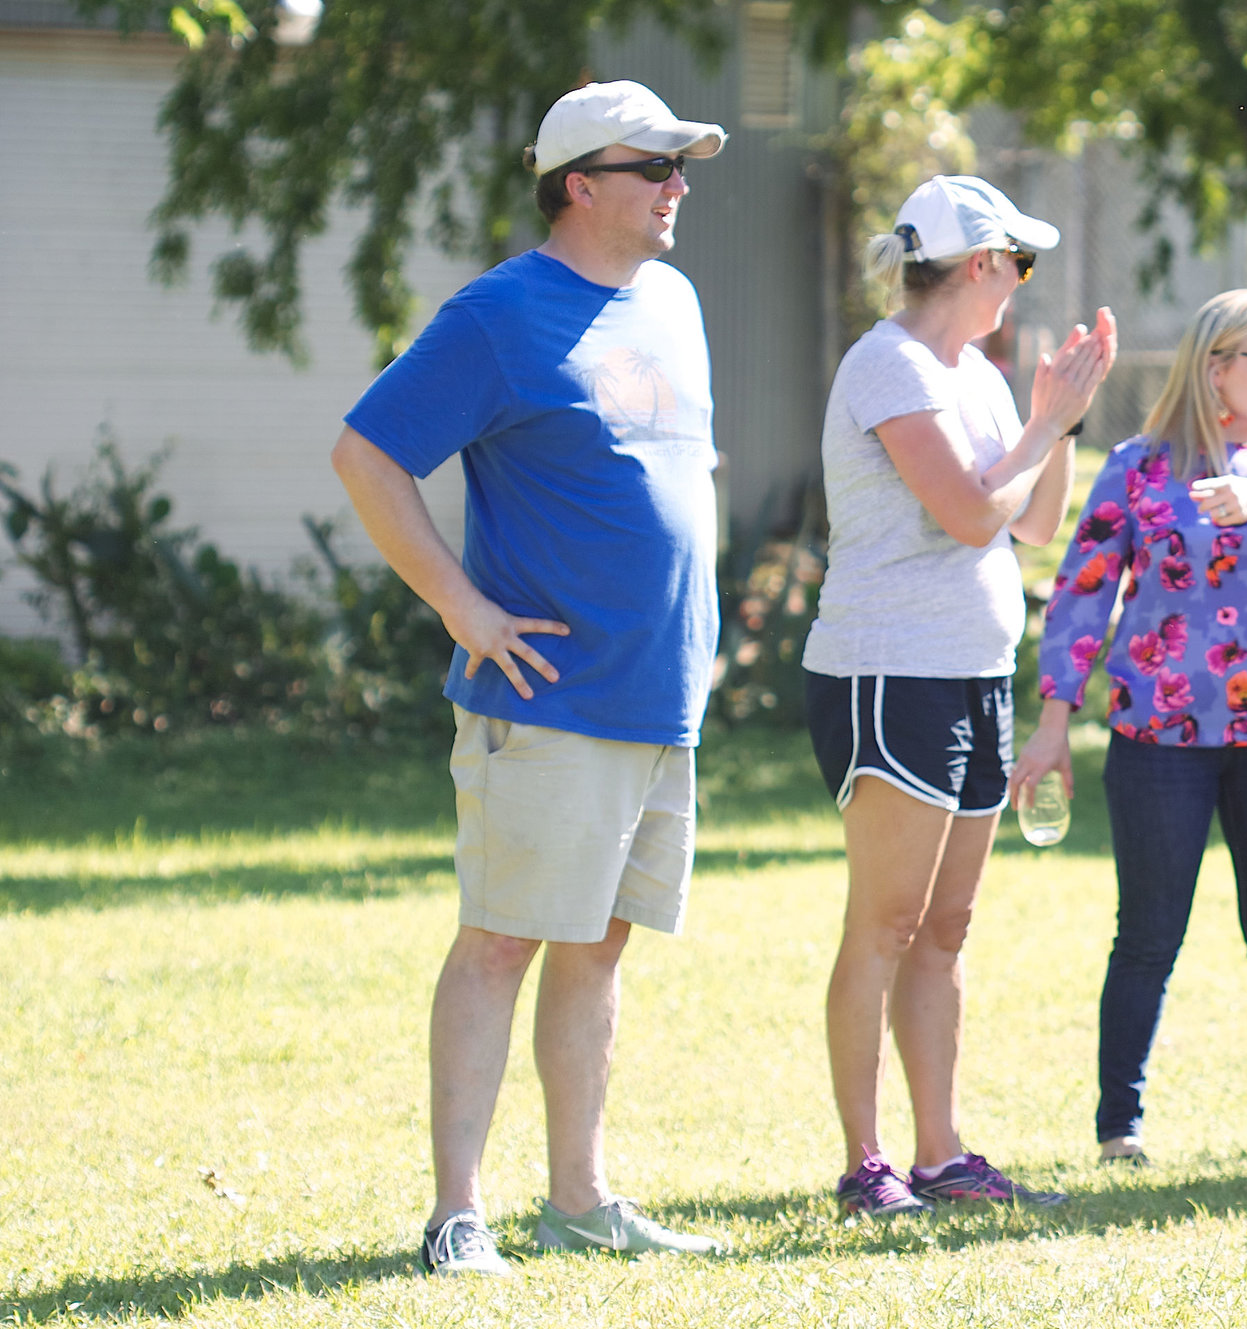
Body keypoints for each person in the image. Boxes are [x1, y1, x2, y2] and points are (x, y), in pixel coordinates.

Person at [330, 80, 732, 1275]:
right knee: (503, 939)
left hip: (659, 696)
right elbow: (367, 452)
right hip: (548, 700)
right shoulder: (499, 314)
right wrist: (463, 606)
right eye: (652, 166)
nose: (676, 188)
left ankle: (580, 1200)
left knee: (599, 945)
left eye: (681, 168)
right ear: (577, 184)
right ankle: (458, 1213)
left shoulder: (674, 300)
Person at [803, 174, 1115, 1216]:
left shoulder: (973, 376)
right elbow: (968, 514)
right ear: (980, 265)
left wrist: (1054, 425)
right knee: (884, 924)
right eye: (1018, 264)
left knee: (944, 928)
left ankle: (941, 1154)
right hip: (889, 676)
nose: (1023, 283)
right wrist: (1046, 423)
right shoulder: (886, 365)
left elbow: (1032, 525)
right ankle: (867, 1164)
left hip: (973, 677)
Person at [1017, 290, 1247, 1164]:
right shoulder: (1139, 466)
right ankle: (1120, 1128)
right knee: (1148, 934)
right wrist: (1050, 727)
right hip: (1157, 745)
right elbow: (1081, 593)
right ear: (1214, 365)